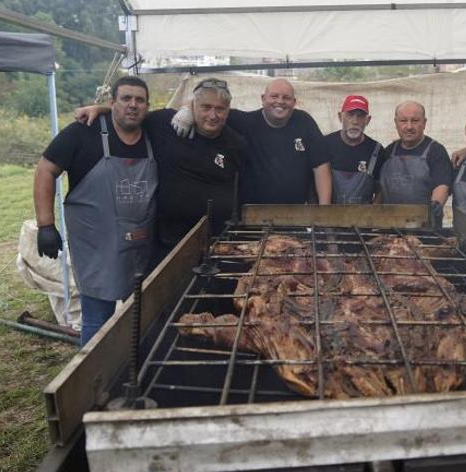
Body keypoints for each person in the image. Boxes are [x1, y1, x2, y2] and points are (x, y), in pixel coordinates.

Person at [34, 76, 156, 347]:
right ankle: (93, 379)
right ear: (112, 102)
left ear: (147, 107)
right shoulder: (83, 132)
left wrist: (100, 107)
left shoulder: (153, 132)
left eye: (139, 100)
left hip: (140, 241)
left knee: (138, 314)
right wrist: (45, 225)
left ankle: (132, 365)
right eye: (125, 99)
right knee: (97, 319)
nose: (133, 105)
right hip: (96, 245)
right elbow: (46, 169)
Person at [75, 78, 247, 263]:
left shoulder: (236, 143)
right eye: (205, 107)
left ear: (228, 110)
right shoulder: (165, 123)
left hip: (218, 242)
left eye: (220, 109)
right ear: (193, 105)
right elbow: (132, 114)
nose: (213, 115)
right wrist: (100, 109)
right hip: (169, 241)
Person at [173, 78, 332, 205]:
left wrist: (324, 211)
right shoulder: (243, 121)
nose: (280, 101)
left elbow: (320, 166)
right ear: (263, 99)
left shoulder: (304, 121)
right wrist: (187, 109)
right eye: (274, 96)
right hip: (251, 216)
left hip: (295, 214)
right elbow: (212, 107)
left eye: (286, 98)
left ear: (294, 102)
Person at [376, 101, 453, 227]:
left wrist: (433, 209)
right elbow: (381, 190)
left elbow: (442, 186)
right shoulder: (388, 152)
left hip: (425, 227)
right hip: (391, 227)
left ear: (424, 123)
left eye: (415, 120)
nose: (409, 126)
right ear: (396, 123)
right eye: (403, 121)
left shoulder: (436, 151)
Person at [324, 95, 383, 204]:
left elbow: (381, 190)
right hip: (328, 217)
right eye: (350, 115)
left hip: (364, 218)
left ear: (368, 120)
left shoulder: (376, 151)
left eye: (360, 116)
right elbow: (312, 186)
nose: (355, 121)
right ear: (340, 117)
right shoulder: (324, 145)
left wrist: (372, 215)